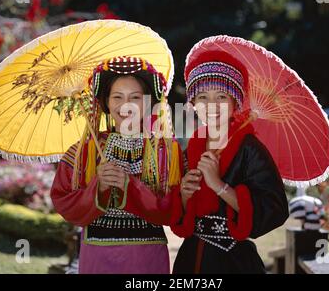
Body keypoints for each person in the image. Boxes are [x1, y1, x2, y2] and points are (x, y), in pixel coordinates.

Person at [51, 56, 181, 274]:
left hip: (145, 259)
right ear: (106, 102)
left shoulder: (165, 151)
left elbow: (175, 210)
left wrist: (131, 187)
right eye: (117, 97)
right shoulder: (85, 151)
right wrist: (98, 187)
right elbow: (63, 201)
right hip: (97, 257)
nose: (126, 106)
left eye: (135, 97)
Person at [170, 45, 289, 274]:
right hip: (191, 258)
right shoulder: (192, 148)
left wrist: (219, 185)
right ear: (192, 103)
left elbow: (274, 208)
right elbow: (181, 209)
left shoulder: (250, 149)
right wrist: (184, 195)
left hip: (234, 261)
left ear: (236, 102)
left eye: (221, 97)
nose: (211, 106)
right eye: (202, 97)